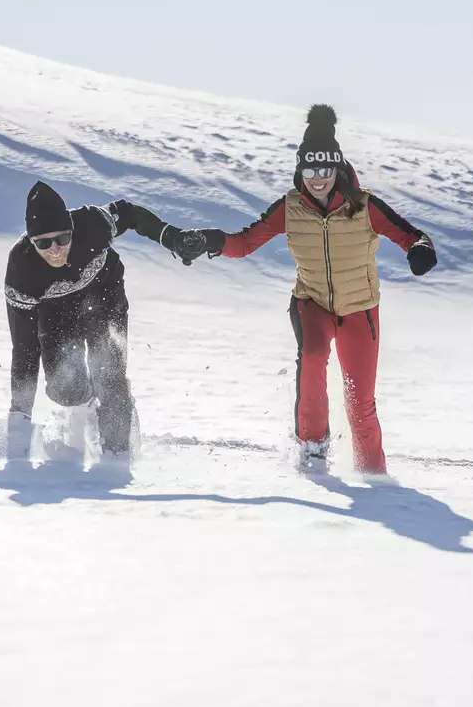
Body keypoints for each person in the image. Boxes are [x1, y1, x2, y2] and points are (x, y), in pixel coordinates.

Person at [173, 105, 437, 476]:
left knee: (360, 403)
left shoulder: (364, 206)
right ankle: (313, 451)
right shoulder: (290, 208)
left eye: (324, 170)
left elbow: (410, 235)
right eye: (310, 170)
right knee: (313, 357)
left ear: (337, 169)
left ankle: (374, 478)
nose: (317, 179)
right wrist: (208, 241)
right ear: (301, 170)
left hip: (361, 310)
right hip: (312, 303)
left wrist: (420, 250)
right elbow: (245, 241)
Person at [4, 180, 195, 461]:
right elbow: (25, 349)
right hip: (55, 315)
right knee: (64, 388)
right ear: (32, 243)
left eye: (62, 239)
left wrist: (171, 237)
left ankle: (117, 455)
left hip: (104, 298)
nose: (55, 249)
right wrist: (20, 419)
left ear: (72, 230)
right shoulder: (21, 271)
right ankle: (89, 411)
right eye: (44, 243)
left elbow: (129, 213)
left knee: (109, 374)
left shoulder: (92, 222)